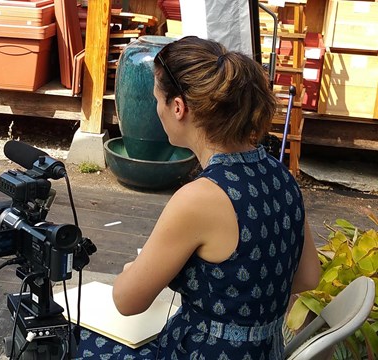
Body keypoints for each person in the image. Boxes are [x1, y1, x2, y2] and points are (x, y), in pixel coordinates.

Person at [76, 36, 321, 359]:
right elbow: (307, 277)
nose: (157, 109)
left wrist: (138, 270)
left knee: (71, 341)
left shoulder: (199, 198)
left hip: (199, 352)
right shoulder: (282, 177)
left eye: (157, 100)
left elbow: (127, 301)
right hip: (266, 352)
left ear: (178, 107)